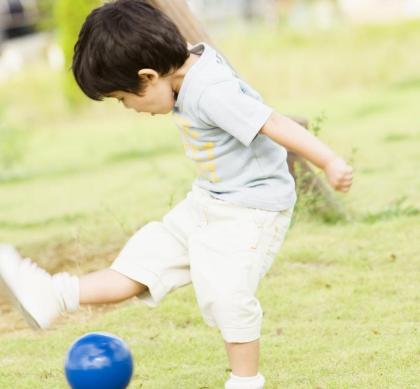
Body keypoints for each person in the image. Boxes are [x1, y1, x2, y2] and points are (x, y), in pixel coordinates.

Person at [0, 1, 353, 388]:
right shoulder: (184, 67)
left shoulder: (211, 91)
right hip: (208, 201)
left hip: (251, 210)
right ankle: (53, 295)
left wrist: (329, 161)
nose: (128, 108)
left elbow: (273, 122)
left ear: (149, 76)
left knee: (226, 295)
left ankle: (246, 381)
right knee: (142, 261)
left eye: (123, 98)